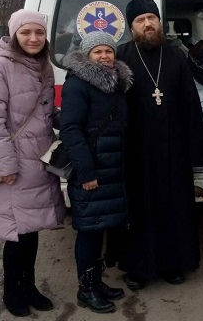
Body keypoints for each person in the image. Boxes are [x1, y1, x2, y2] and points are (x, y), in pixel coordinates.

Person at [115, 0, 203, 289]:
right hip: (138, 149)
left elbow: (190, 102)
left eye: (152, 18)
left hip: (174, 149)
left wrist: (196, 148)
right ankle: (138, 267)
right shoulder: (121, 57)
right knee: (139, 208)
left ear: (159, 21)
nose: (148, 24)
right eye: (140, 20)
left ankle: (174, 263)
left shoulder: (176, 56)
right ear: (131, 27)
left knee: (175, 206)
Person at [0, 9, 66, 317]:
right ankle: (11, 291)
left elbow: (46, 112)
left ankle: (29, 287)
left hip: (39, 159)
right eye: (26, 32)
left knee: (32, 229)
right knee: (16, 233)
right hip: (14, 163)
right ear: (15, 35)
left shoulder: (43, 66)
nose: (33, 38)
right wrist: (5, 166)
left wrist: (72, 120)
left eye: (39, 33)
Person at [59, 31, 133, 313]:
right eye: (97, 52)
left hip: (112, 168)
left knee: (100, 226)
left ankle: (96, 282)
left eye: (109, 51)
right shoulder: (77, 85)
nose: (104, 56)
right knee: (89, 230)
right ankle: (85, 290)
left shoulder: (115, 84)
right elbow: (71, 130)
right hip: (91, 171)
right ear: (87, 55)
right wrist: (87, 172)